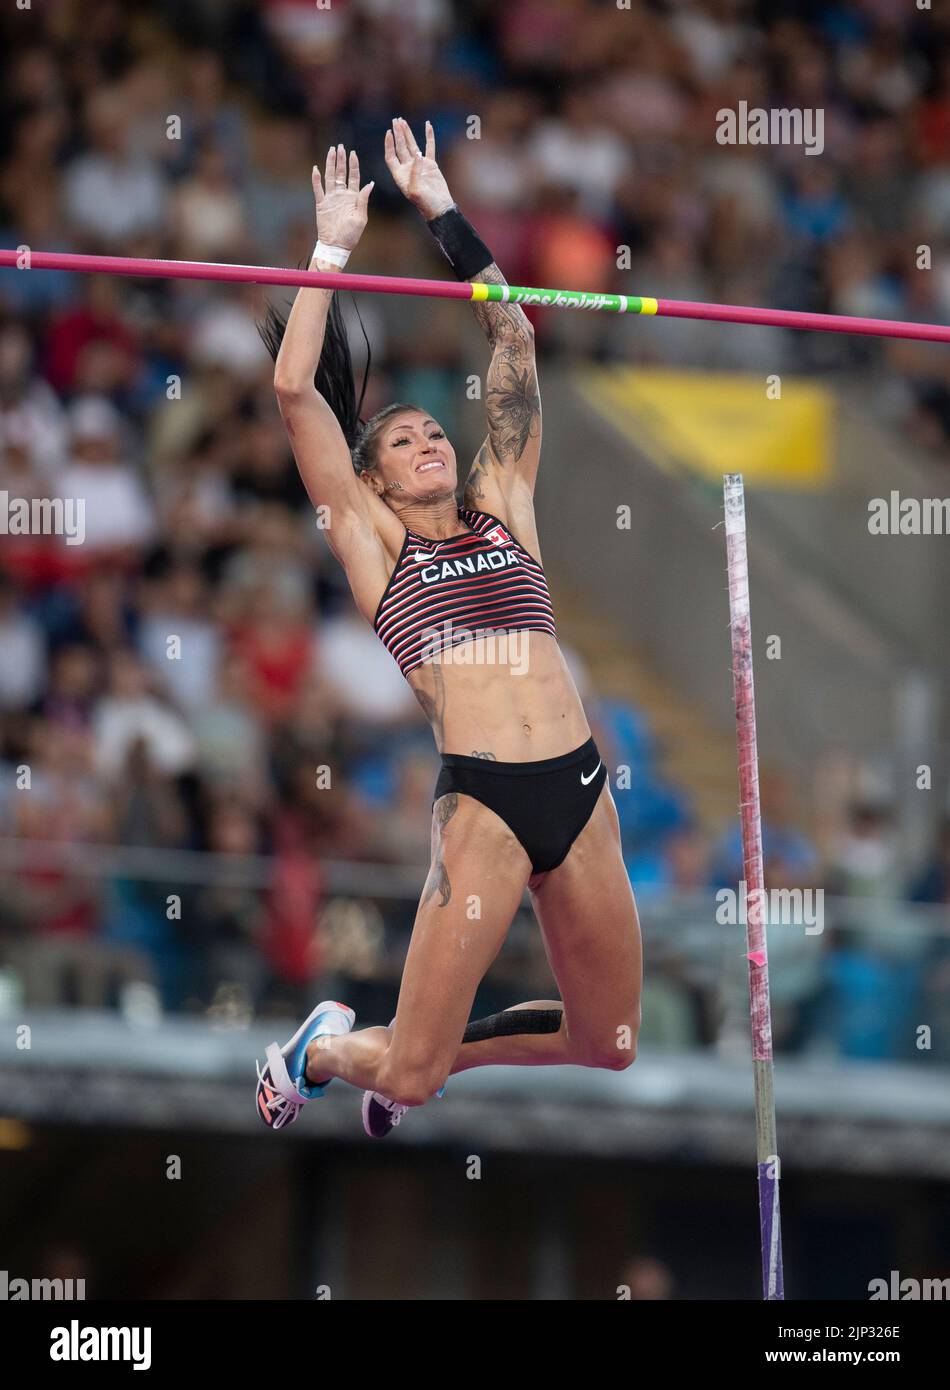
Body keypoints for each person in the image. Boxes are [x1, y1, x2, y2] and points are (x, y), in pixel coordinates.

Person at [255, 119, 641, 1137]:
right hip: (487, 805)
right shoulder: (375, 551)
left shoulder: (503, 501)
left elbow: (512, 335)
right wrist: (331, 248)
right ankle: (325, 1051)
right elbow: (296, 389)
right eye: (403, 440)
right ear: (372, 478)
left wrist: (441, 212)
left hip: (579, 783)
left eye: (434, 429)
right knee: (411, 1075)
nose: (427, 439)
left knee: (610, 1041)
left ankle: (396, 1058)